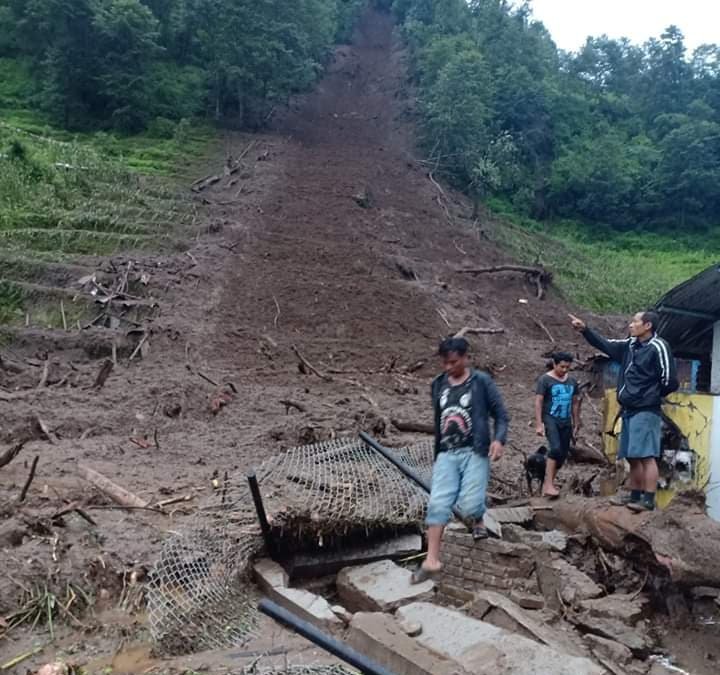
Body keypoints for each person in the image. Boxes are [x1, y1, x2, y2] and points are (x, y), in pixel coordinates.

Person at [411, 336, 509, 584]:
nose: (448, 367)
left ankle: (477, 516)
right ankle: (432, 561)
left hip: (475, 451)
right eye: (444, 363)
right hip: (446, 452)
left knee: (468, 506)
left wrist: (498, 440)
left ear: (466, 358)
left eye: (453, 362)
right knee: (437, 503)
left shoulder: (481, 382)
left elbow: (502, 415)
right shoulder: (438, 384)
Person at [570, 311, 678, 511]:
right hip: (628, 409)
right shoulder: (629, 346)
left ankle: (648, 499)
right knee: (632, 455)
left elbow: (670, 381)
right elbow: (604, 344)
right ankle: (633, 495)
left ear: (647, 326)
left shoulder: (658, 347)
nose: (631, 325)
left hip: (646, 409)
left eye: (635, 322)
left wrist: (649, 396)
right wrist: (585, 330)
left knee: (647, 456)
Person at [534, 352, 581, 497]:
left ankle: (547, 486)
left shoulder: (572, 381)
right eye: (562, 367)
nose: (565, 370)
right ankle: (548, 485)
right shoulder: (545, 380)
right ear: (554, 364)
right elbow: (538, 401)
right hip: (550, 419)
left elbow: (574, 403)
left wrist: (576, 422)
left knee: (561, 456)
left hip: (565, 421)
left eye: (568, 367)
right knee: (554, 449)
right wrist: (539, 424)